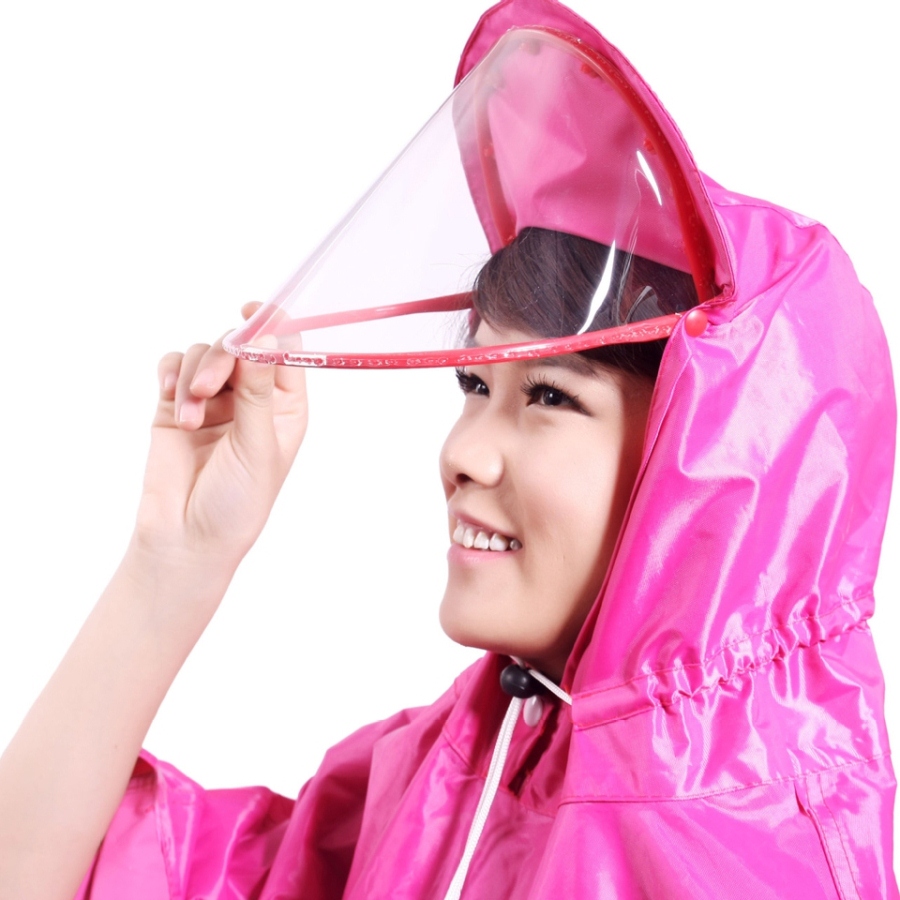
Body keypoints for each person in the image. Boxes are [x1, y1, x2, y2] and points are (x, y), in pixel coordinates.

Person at [0, 1, 897, 899]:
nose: (465, 453)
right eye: (475, 385)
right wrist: (173, 563)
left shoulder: (743, 861)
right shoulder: (460, 764)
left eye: (550, 396)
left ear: (710, 475)